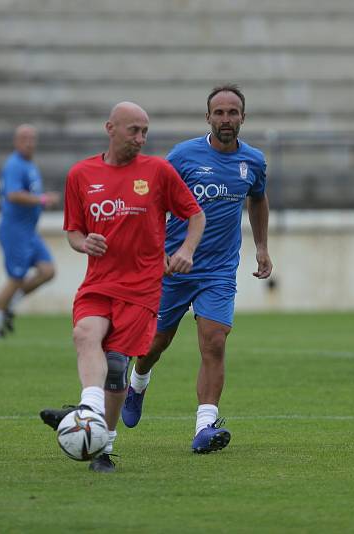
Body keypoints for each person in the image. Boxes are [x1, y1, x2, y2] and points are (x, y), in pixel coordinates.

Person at [40, 102, 205, 473]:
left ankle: (102, 445)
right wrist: (83, 243)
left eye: (145, 131)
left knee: (116, 368)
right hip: (98, 282)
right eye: (134, 131)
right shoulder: (81, 174)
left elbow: (195, 214)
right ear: (110, 128)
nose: (141, 138)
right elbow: (72, 231)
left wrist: (187, 250)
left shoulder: (158, 171)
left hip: (142, 287)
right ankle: (89, 413)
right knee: (85, 333)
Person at [121, 84, 272, 453]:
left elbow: (258, 199)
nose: (226, 119)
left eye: (232, 113)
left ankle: (205, 427)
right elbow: (153, 202)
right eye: (219, 113)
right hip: (174, 267)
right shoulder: (184, 156)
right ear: (208, 117)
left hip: (219, 270)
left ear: (242, 118)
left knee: (214, 342)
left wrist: (262, 247)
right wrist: (156, 251)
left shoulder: (253, 161)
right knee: (154, 344)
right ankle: (138, 382)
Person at [0, 125, 60, 337]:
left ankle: (10, 303)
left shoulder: (29, 165)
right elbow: (13, 194)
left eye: (32, 138)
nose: (29, 142)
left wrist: (41, 199)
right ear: (16, 142)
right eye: (25, 138)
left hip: (29, 231)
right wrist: (42, 199)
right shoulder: (15, 165)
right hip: (14, 230)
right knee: (16, 277)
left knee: (47, 271)